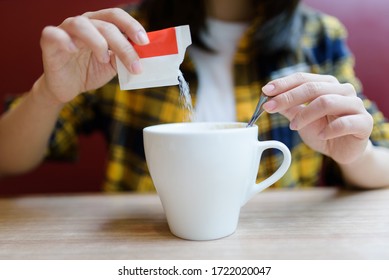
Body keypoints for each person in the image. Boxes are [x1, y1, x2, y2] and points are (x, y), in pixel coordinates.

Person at [0, 0, 389, 191]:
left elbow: (380, 157)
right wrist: (48, 93)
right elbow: (8, 160)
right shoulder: (121, 37)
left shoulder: (318, 35)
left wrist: (357, 153)